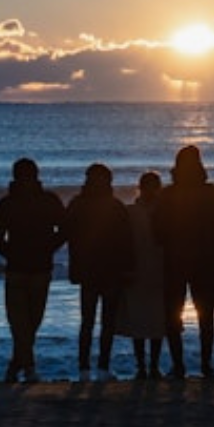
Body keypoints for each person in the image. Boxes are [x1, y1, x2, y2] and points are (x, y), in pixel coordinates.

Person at [0, 157, 66, 383]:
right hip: (29, 268)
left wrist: (13, 252)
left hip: (29, 267)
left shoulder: (10, 202)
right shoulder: (44, 200)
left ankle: (16, 364)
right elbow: (64, 230)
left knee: (25, 322)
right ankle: (27, 366)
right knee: (26, 322)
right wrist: (47, 248)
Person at [153, 145, 214, 379]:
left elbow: (157, 231)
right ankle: (206, 364)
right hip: (206, 260)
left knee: (172, 314)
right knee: (206, 314)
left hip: (175, 260)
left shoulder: (167, 195)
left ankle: (178, 364)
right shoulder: (211, 193)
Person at [64, 163, 134, 382]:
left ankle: (86, 368)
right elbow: (127, 241)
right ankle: (100, 367)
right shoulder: (115, 206)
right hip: (108, 270)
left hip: (90, 270)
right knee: (104, 321)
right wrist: (128, 268)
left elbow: (68, 236)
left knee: (89, 320)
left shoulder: (78, 204)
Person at [116, 171, 167, 380]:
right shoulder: (139, 212)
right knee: (152, 320)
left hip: (149, 270)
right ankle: (147, 366)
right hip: (148, 269)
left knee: (147, 320)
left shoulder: (132, 212)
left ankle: (147, 367)